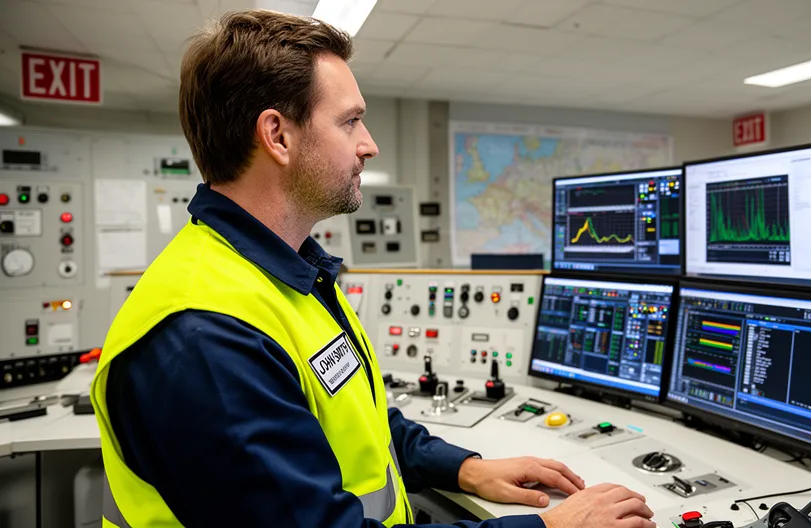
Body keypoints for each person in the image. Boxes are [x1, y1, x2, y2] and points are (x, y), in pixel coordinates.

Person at [90, 9, 657, 528]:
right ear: (277, 136)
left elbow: (360, 426)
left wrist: (462, 468)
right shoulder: (205, 337)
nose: (370, 145)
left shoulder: (282, 275)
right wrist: (548, 526)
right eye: (350, 122)